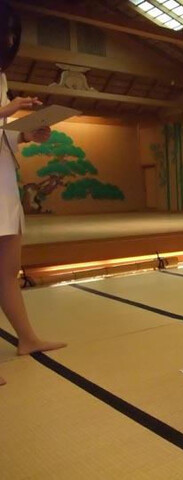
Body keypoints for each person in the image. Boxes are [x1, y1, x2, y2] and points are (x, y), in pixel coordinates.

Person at [0, 1, 65, 386]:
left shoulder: (1, 77)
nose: (9, 40)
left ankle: (27, 338)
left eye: (13, 33)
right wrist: (8, 110)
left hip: (3, 182)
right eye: (4, 31)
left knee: (8, 271)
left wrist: (27, 132)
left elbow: (3, 136)